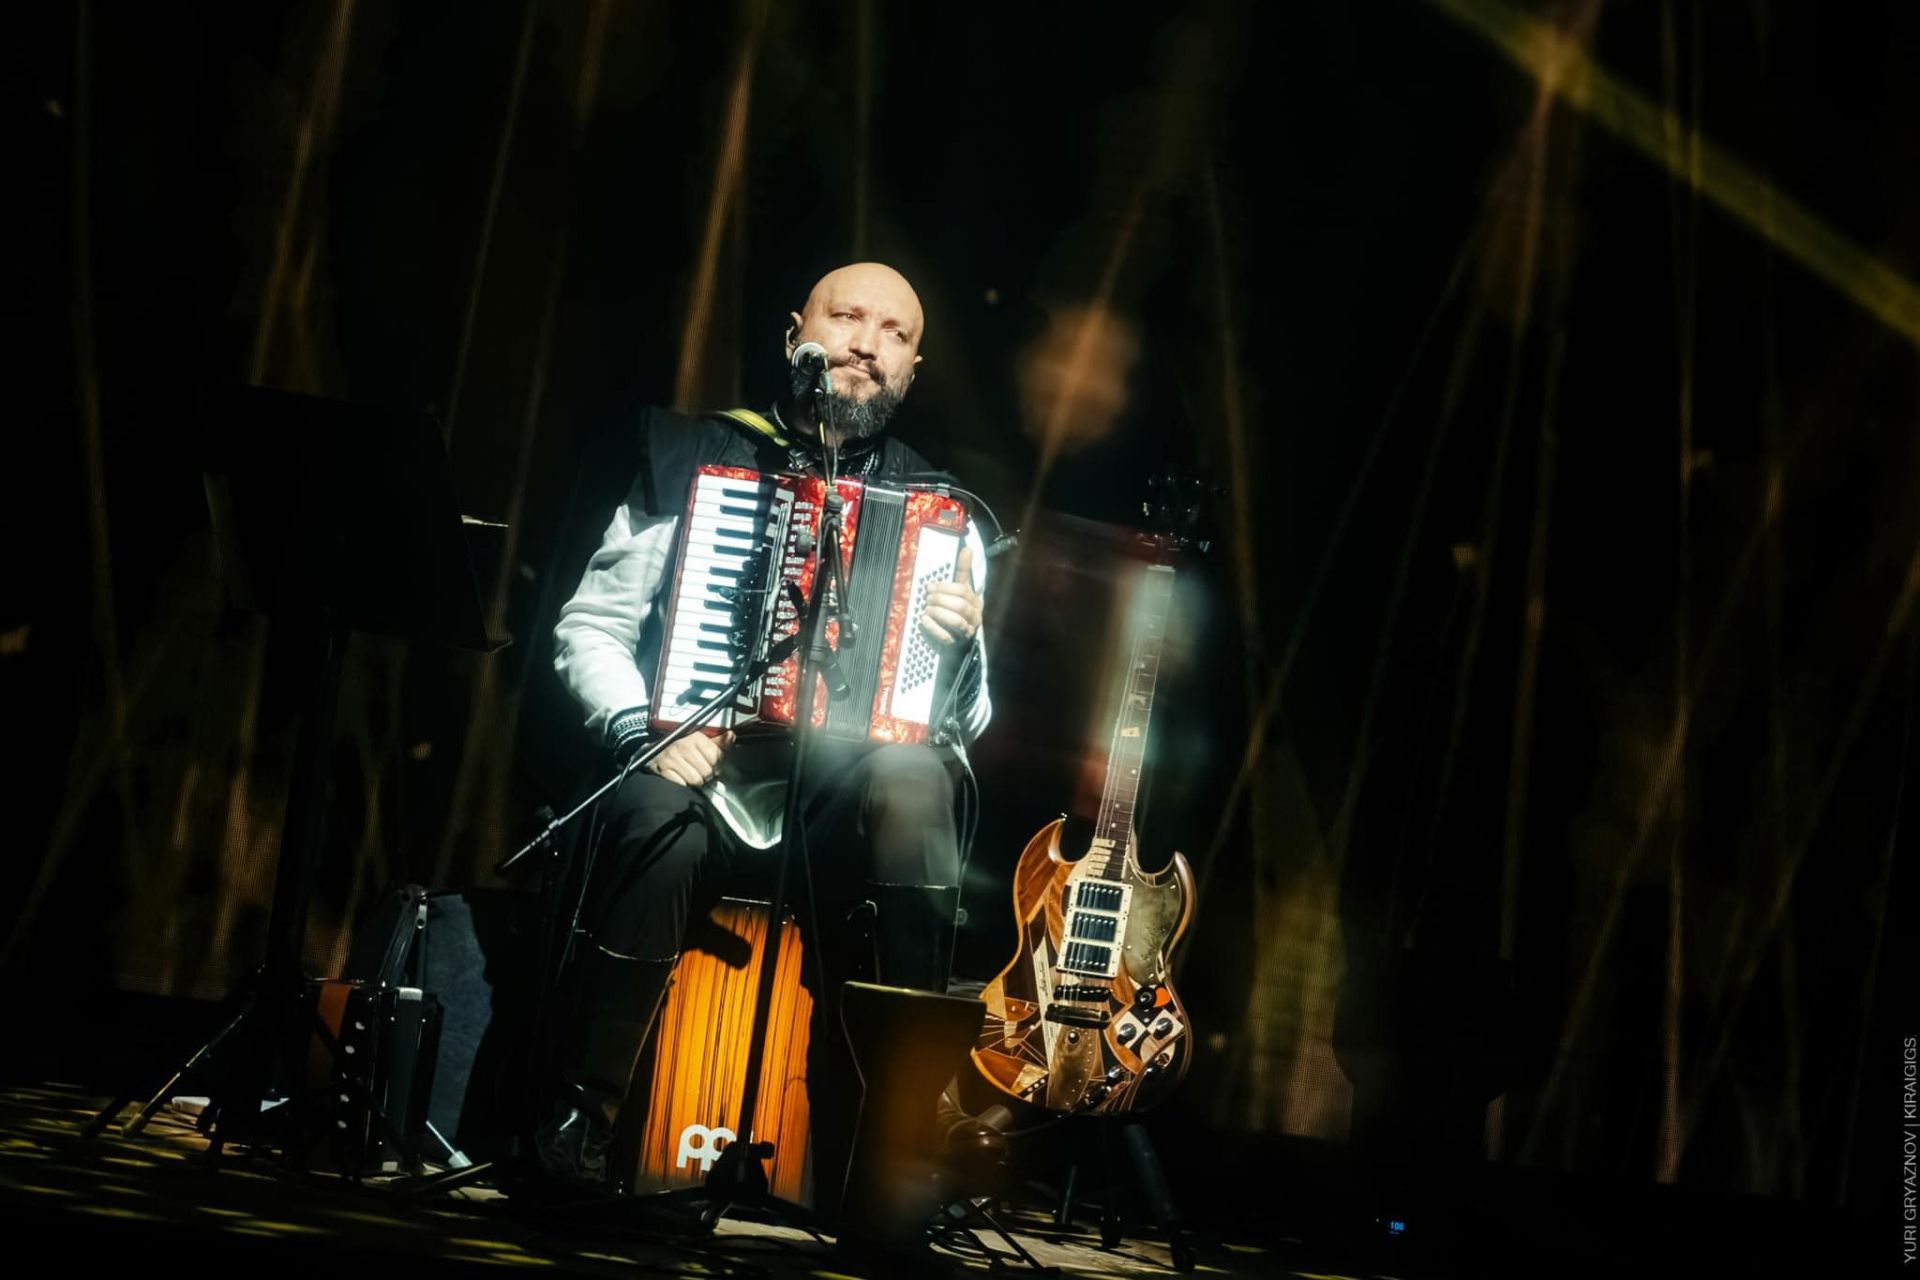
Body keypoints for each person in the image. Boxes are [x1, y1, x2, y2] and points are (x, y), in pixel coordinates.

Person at [533, 263, 993, 1197]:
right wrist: (641, 729)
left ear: (913, 368)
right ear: (797, 336)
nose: (867, 343)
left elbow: (970, 725)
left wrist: (965, 651)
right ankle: (580, 1135)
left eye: (895, 333)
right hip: (703, 766)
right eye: (847, 316)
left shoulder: (945, 514)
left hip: (845, 796)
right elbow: (592, 626)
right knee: (652, 824)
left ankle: (888, 1167)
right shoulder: (697, 456)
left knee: (919, 787)